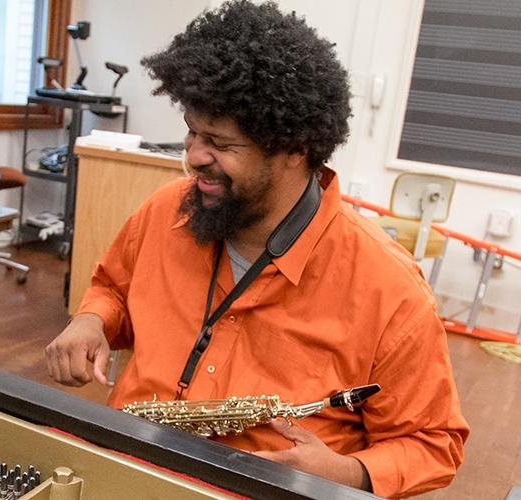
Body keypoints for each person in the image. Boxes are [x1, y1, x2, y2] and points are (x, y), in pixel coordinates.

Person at [44, 1, 469, 497]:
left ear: (296, 149)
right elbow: (114, 287)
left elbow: (432, 443)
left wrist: (349, 475)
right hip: (125, 470)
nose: (193, 157)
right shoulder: (166, 211)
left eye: (220, 144)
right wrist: (91, 319)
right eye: (191, 132)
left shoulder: (388, 289)